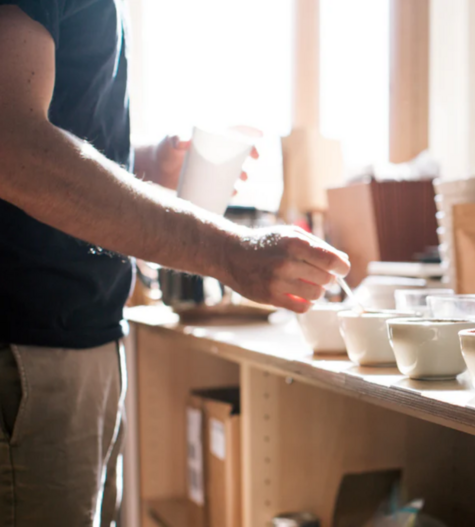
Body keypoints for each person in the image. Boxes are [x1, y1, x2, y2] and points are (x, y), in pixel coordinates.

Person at [0, 2, 350, 525]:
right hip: (28, 353)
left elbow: (60, 127)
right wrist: (231, 252)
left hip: (77, 340)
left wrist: (145, 166)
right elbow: (13, 147)